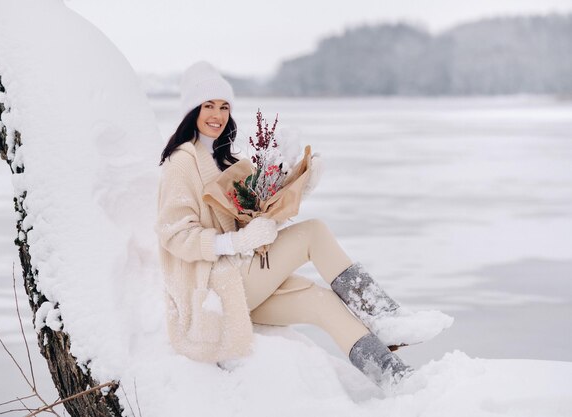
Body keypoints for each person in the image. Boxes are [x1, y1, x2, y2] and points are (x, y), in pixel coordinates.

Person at [156, 61, 452, 392]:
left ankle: (393, 377)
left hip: (241, 285)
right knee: (314, 232)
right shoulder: (182, 162)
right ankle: (383, 316)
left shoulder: (229, 161)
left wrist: (298, 187)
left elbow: (253, 221)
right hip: (214, 291)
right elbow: (174, 234)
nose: (217, 114)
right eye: (208, 105)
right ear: (191, 111)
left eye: (224, 106)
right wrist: (236, 243)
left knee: (322, 301)